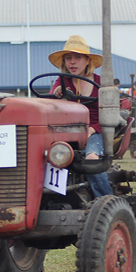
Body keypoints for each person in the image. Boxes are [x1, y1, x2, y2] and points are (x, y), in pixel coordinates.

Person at [48, 35, 114, 199]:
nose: (72, 62)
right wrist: (57, 94)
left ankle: (107, 200)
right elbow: (50, 102)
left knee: (91, 159)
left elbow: (110, 113)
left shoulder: (100, 83)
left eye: (78, 57)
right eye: (68, 58)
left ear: (87, 60)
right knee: (51, 157)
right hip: (67, 132)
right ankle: (54, 199)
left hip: (94, 131)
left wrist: (92, 129)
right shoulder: (62, 81)